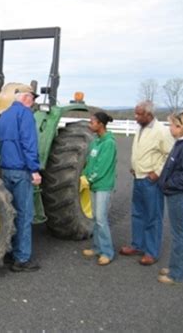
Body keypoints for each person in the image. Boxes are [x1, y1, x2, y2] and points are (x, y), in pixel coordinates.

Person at [0, 84, 42, 273]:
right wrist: (35, 170)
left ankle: (8, 252)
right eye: (32, 97)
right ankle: (21, 258)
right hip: (22, 170)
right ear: (25, 97)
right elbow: (29, 143)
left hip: (6, 169)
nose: (33, 101)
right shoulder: (26, 115)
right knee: (24, 214)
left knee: (9, 212)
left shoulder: (4, 115)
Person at [120, 101, 174, 265]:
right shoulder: (141, 128)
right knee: (137, 213)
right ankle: (138, 245)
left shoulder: (162, 131)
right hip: (138, 177)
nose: (135, 117)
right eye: (135, 113)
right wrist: (135, 166)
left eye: (139, 114)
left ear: (149, 115)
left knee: (153, 216)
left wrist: (157, 173)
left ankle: (151, 252)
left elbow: (170, 154)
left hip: (151, 181)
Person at [157, 111, 183, 284]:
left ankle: (177, 274)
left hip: (179, 194)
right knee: (178, 233)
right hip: (176, 193)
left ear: (181, 127)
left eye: (172, 125)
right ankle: (175, 267)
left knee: (179, 234)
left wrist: (167, 184)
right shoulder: (181, 143)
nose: (170, 128)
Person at [81, 112, 117, 266]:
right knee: (95, 218)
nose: (90, 124)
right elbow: (90, 163)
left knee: (102, 220)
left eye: (93, 122)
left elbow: (102, 167)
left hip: (103, 185)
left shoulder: (109, 143)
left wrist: (89, 179)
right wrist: (84, 175)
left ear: (101, 124)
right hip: (94, 185)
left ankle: (107, 252)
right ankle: (96, 247)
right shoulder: (96, 142)